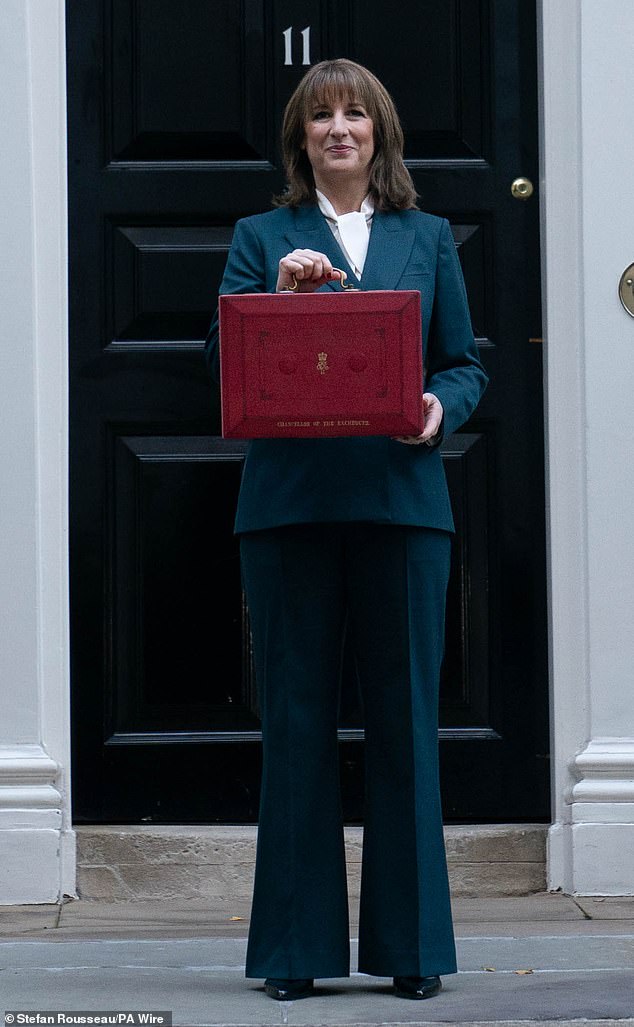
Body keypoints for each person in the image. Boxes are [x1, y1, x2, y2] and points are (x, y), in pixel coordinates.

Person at [204, 58, 488, 1003]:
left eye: (355, 114)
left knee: (406, 725)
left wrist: (437, 411)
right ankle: (294, 950)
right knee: (294, 724)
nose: (338, 128)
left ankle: (414, 948)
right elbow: (222, 365)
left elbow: (462, 364)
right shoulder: (261, 238)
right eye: (321, 115)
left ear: (379, 133)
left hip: (403, 507)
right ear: (301, 137)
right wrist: (277, 302)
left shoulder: (427, 235)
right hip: (290, 508)